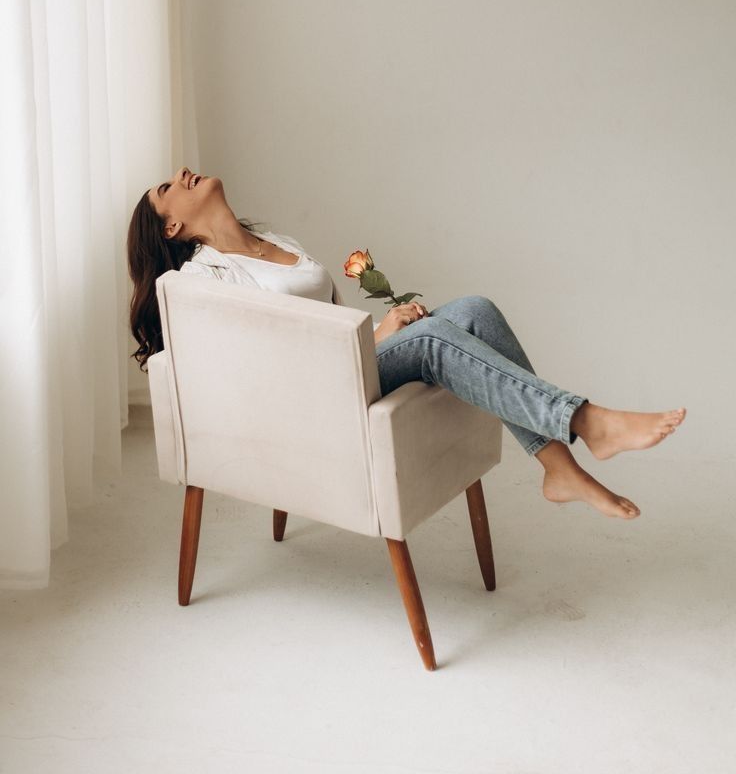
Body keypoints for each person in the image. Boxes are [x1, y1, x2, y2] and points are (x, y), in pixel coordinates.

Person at [127, 166, 687, 521]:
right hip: (311, 394)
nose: (181, 173)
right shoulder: (205, 277)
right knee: (438, 341)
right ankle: (587, 421)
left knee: (474, 310)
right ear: (172, 228)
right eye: (167, 189)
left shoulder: (273, 242)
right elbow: (267, 360)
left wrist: (380, 330)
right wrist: (376, 343)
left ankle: (559, 467)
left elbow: (321, 321)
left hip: (344, 362)